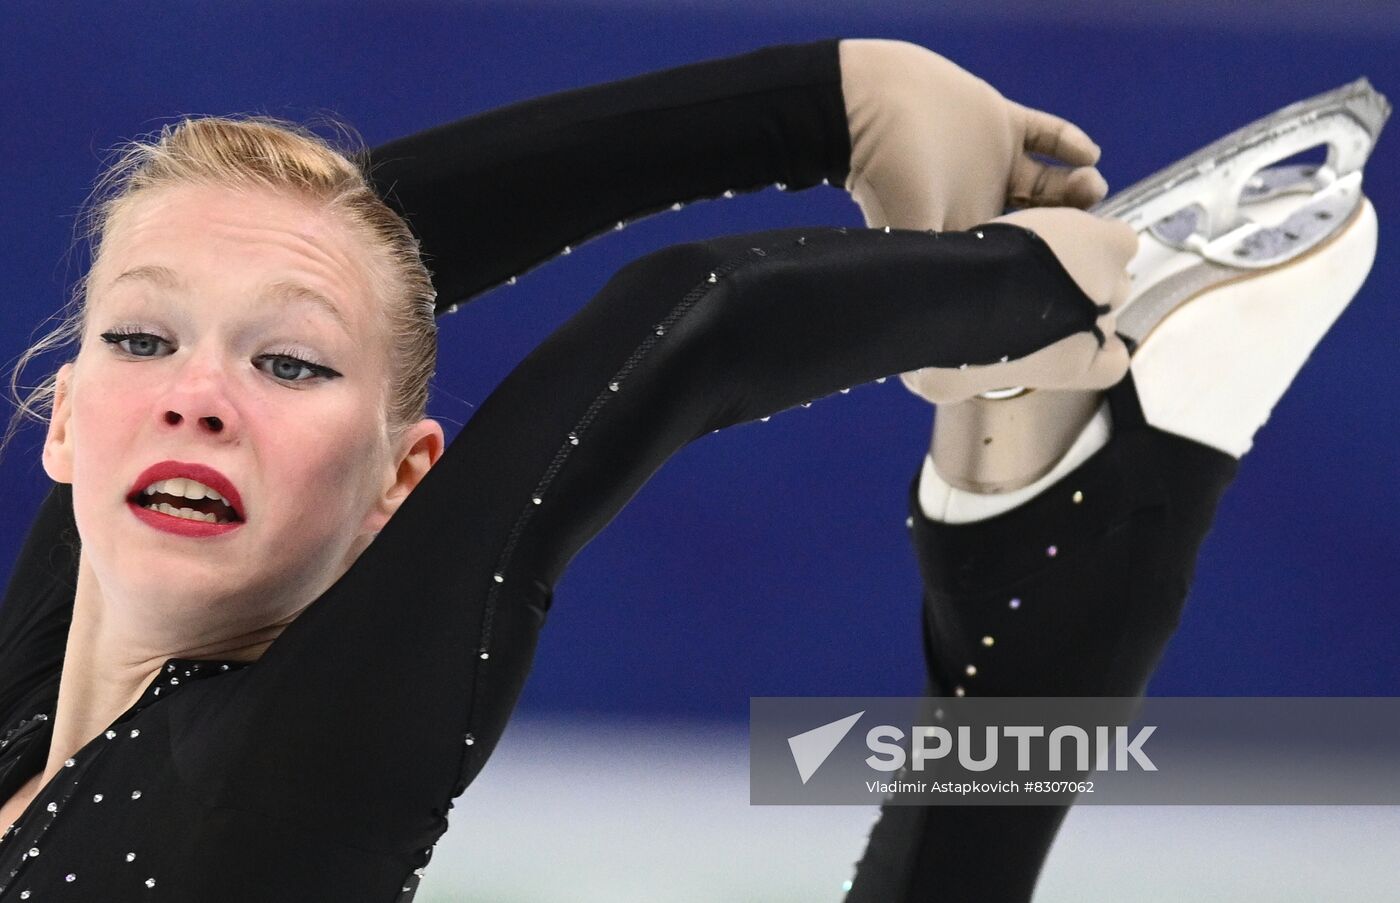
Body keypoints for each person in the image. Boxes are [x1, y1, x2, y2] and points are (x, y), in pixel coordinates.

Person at [0, 37, 1374, 902]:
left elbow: (675, 334)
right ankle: (1066, 554)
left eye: (289, 369)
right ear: (66, 422)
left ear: (400, 487)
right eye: (141, 337)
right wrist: (818, 110)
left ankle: (1073, 556)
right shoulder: (34, 684)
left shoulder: (295, 761)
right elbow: (313, 248)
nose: (197, 399)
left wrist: (1049, 290)